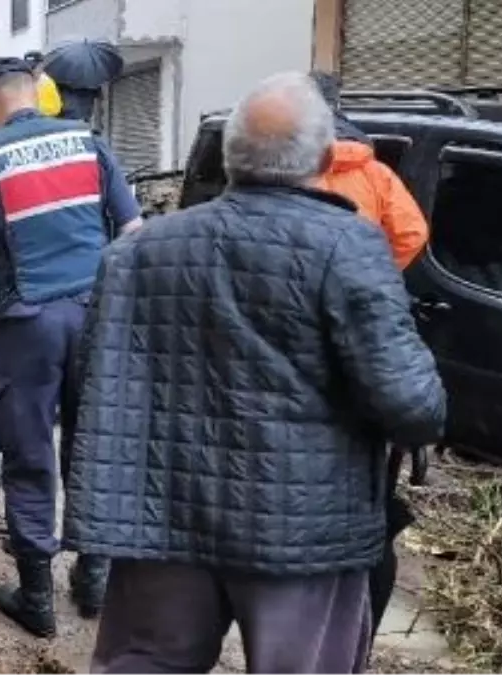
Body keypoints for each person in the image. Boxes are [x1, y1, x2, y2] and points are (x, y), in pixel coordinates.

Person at [61, 72, 447, 674]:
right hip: (304, 532)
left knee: (147, 663)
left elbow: (92, 387)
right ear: (324, 156)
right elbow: (413, 406)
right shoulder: (349, 246)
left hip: (163, 516)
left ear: (227, 156)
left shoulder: (134, 254)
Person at [0, 58, 142, 637]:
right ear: (40, 94)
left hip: (29, 324)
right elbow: (132, 234)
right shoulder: (89, 143)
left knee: (29, 450)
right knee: (93, 442)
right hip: (96, 316)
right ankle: (94, 580)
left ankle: (37, 600)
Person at [309, 69, 433, 644]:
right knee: (371, 495)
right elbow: (411, 234)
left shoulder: (291, 169)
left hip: (300, 336)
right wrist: (380, 278)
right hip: (363, 339)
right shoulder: (375, 174)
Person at [310, 71, 429, 269]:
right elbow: (412, 233)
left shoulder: (280, 167)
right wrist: (375, 272)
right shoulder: (375, 174)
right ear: (337, 105)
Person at [21, 51, 64, 117]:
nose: (31, 70)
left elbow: (56, 108)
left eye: (33, 67)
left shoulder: (47, 83)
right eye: (28, 67)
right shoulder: (23, 81)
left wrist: (36, 110)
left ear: (41, 66)